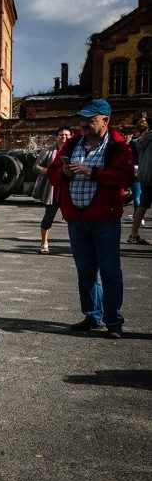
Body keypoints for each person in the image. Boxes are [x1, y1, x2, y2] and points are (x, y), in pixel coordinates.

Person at [46, 99, 134, 339]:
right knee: (85, 271)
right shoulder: (73, 144)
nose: (84, 124)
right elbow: (53, 174)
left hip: (105, 220)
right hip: (77, 219)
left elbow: (125, 177)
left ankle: (113, 321)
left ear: (105, 121)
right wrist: (63, 172)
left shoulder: (118, 147)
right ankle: (93, 316)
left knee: (109, 271)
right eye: (82, 120)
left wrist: (92, 172)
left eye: (90, 120)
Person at [33, 127, 72, 254]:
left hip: (70, 189)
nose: (63, 137)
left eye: (66, 135)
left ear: (71, 136)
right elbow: (36, 167)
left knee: (73, 218)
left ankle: (76, 244)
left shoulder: (75, 150)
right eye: (61, 135)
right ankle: (44, 243)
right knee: (48, 217)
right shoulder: (48, 150)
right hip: (53, 189)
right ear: (56, 137)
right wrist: (50, 172)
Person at [127, 118, 151, 244]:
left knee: (142, 203)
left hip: (143, 173)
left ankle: (133, 233)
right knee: (141, 200)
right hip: (148, 173)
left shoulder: (140, 140)